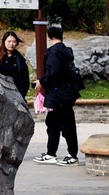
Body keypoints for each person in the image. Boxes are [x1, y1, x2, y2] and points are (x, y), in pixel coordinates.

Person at [33, 25, 81, 165]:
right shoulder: (65, 50)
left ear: (49, 37)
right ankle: (51, 154)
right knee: (52, 124)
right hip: (63, 93)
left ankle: (73, 155)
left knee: (66, 125)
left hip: (59, 95)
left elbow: (53, 72)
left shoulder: (54, 52)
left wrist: (41, 82)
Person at [0, 30, 30, 97]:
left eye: (14, 42)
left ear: (17, 43)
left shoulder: (19, 59)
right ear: (4, 42)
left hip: (15, 93)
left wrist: (22, 94)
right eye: (9, 41)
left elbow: (25, 78)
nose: (11, 44)